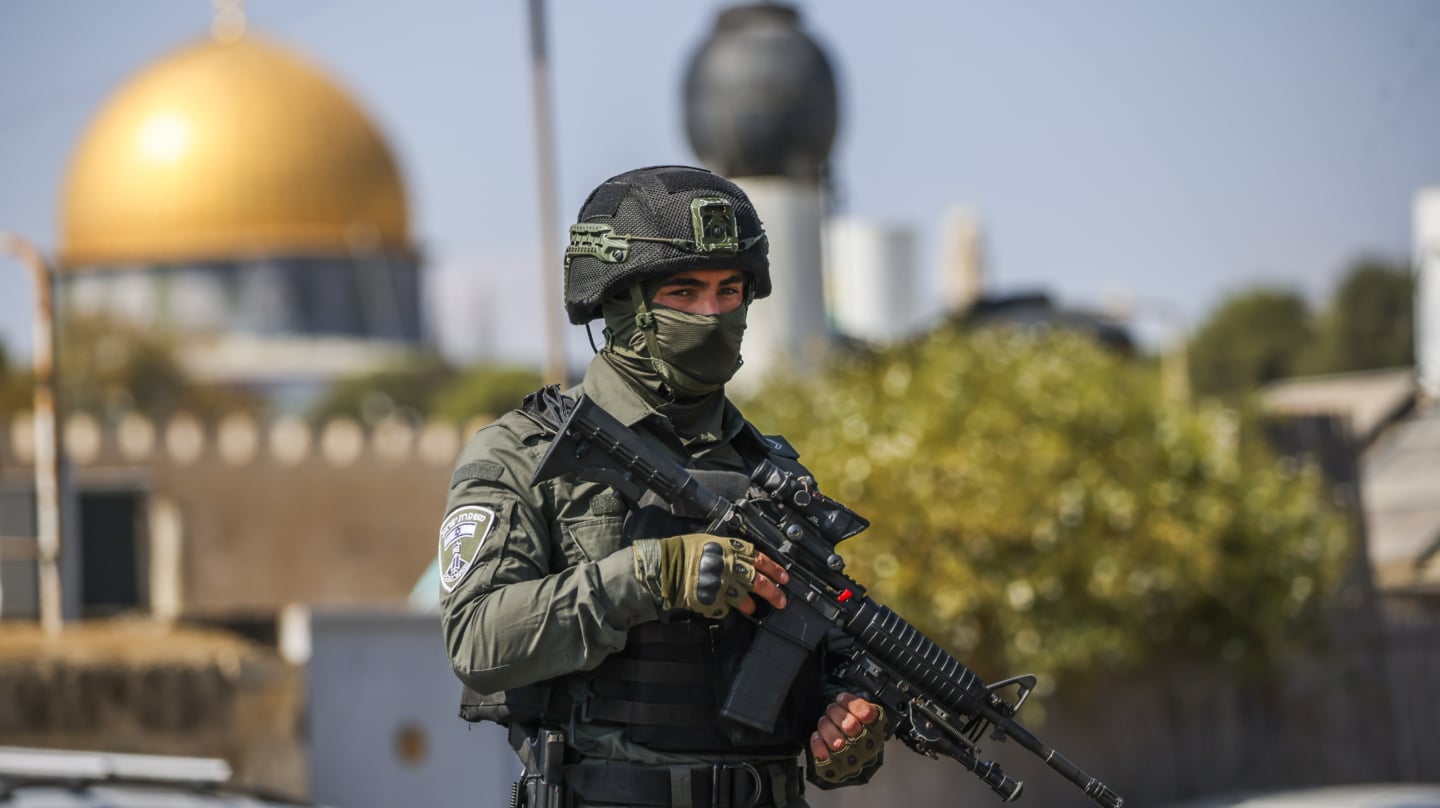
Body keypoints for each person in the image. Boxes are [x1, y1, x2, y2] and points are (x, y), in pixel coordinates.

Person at [439, 165, 887, 808]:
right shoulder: (526, 453)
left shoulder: (776, 475)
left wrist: (848, 725)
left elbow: (829, 653)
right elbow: (479, 640)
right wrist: (647, 577)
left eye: (729, 291)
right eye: (684, 293)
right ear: (621, 305)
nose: (712, 315)